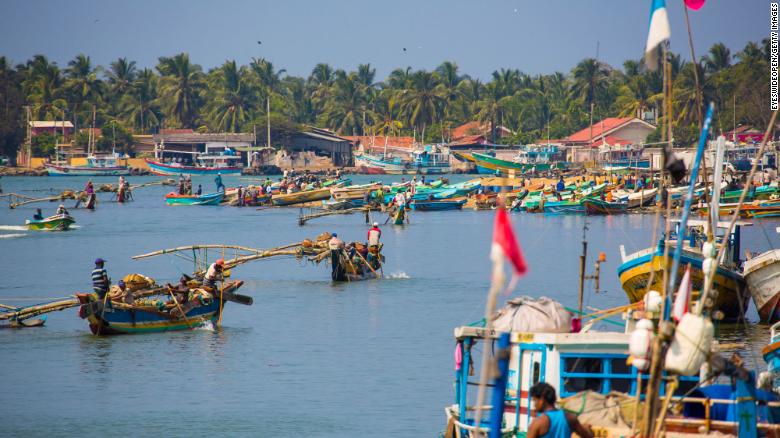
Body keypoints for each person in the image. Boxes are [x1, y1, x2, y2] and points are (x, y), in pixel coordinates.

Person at [527, 382, 593, 438]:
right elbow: (588, 436)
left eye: (535, 400)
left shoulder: (537, 423)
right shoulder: (569, 417)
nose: (534, 405)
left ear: (542, 400)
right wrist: (587, 429)